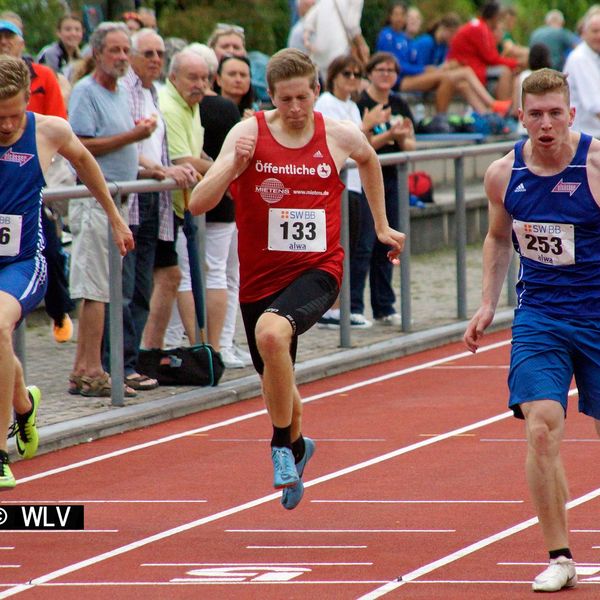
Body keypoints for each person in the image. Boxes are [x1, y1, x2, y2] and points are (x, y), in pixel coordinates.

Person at [189, 48, 405, 509]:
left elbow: (370, 160)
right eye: (284, 100)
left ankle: (280, 447)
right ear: (271, 96)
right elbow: (197, 204)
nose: (294, 109)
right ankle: (300, 441)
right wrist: (231, 166)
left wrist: (382, 225)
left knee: (271, 335)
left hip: (318, 269)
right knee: (276, 376)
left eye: (302, 99)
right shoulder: (247, 133)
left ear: (316, 92)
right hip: (259, 280)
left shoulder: (339, 135)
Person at [463, 68, 600, 592]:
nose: (546, 124)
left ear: (571, 114)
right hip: (540, 315)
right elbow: (498, 239)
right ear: (520, 116)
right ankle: (560, 556)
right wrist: (485, 304)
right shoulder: (503, 173)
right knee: (541, 425)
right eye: (535, 114)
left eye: (555, 113)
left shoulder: (593, 166)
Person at [0, 55, 133, 488]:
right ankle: (22, 404)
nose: (6, 125)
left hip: (24, 261)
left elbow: (86, 164)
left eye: (15, 115)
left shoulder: (49, 130)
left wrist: (113, 216)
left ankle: (0, 451)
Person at [68, 22, 156, 397]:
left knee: (105, 287)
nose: (121, 57)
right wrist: (133, 136)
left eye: (125, 50)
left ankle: (90, 368)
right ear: (97, 52)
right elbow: (82, 147)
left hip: (118, 200)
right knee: (94, 287)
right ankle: (88, 369)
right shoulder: (85, 92)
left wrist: (151, 167)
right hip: (93, 200)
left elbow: (121, 151)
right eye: (114, 50)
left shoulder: (119, 92)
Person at [122, 29, 199, 386]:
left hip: (156, 200)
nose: (154, 58)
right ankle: (122, 365)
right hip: (131, 198)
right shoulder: (124, 92)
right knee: (125, 288)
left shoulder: (152, 94)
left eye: (159, 53)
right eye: (147, 53)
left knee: (143, 289)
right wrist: (158, 169)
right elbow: (121, 146)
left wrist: (163, 171)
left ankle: (139, 360)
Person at [315, 54, 388, 329]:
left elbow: (363, 145)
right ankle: (332, 309)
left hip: (357, 183)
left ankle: (347, 305)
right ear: (333, 76)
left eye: (357, 75)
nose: (353, 80)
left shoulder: (353, 107)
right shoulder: (326, 104)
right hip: (339, 184)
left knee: (359, 246)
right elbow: (336, 140)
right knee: (340, 246)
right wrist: (366, 127)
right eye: (347, 74)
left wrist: (385, 133)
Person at [354, 52, 415, 327]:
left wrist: (401, 139)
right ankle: (354, 305)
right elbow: (361, 145)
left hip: (393, 179)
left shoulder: (399, 103)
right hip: (365, 179)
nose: (387, 74)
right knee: (364, 243)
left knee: (389, 243)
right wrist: (388, 136)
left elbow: (412, 144)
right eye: (381, 69)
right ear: (370, 72)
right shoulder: (361, 104)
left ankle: (384, 306)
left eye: (392, 70)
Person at [158, 51, 213, 347]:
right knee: (175, 279)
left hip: (184, 206)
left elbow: (198, 153)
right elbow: (183, 158)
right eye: (193, 78)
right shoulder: (170, 105)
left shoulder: (192, 105)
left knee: (182, 277)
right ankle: (196, 347)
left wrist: (214, 164)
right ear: (173, 77)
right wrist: (225, 170)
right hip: (166, 207)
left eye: (204, 78)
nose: (200, 84)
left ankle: (193, 345)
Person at [447, 1, 521, 101]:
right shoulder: (480, 28)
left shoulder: (480, 26)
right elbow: (491, 58)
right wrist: (516, 63)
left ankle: (506, 105)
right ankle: (503, 107)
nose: (500, 20)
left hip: (470, 65)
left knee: (509, 69)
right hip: (467, 67)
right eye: (499, 17)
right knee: (505, 71)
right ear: (494, 16)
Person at [303, 0, 366, 79]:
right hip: (339, 48)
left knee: (323, 83)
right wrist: (362, 44)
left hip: (320, 50)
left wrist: (307, 41)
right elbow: (352, 25)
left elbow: (309, 19)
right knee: (338, 82)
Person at [563, 10, 600, 138]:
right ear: (584, 33)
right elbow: (595, 105)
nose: (599, 36)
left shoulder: (594, 56)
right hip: (585, 137)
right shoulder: (580, 58)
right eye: (595, 31)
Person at [36, 14, 84, 80]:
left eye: (77, 30)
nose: (73, 33)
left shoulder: (80, 57)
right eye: (68, 29)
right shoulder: (51, 53)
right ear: (58, 32)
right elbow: (54, 80)